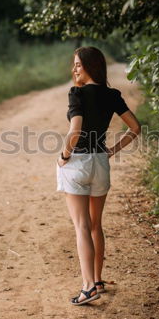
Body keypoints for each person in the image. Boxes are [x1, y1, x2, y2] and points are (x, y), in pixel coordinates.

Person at [56, 46, 141, 305]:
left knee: (81, 226)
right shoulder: (112, 95)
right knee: (95, 225)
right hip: (100, 163)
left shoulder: (77, 93)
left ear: (90, 66)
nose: (74, 69)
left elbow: (75, 131)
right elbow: (135, 128)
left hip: (78, 161)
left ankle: (88, 287)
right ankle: (99, 280)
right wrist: (111, 151)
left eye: (78, 65)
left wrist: (64, 156)